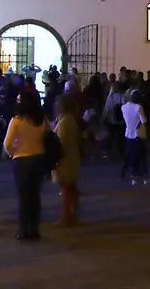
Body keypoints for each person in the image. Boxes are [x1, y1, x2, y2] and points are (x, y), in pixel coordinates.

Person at [3, 89, 49, 240]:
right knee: (35, 196)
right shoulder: (42, 119)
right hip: (38, 158)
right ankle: (34, 229)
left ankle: (23, 230)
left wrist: (12, 153)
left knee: (23, 197)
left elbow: (8, 143)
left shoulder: (17, 120)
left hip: (21, 160)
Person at [52, 93, 82, 227]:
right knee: (70, 187)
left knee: (66, 188)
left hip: (65, 159)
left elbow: (61, 141)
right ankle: (72, 214)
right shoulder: (68, 119)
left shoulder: (65, 121)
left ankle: (66, 216)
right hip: (69, 157)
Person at [120, 90, 150, 184]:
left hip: (128, 133)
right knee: (142, 156)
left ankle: (134, 177)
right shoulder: (138, 107)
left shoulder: (123, 107)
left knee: (132, 155)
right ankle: (145, 177)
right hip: (138, 134)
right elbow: (144, 121)